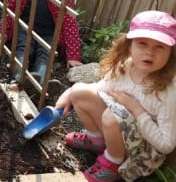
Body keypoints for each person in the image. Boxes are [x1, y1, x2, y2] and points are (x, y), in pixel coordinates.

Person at [55, 10, 176, 181]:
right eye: (142, 44)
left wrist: (136, 109)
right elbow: (100, 88)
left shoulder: (168, 91)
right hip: (115, 129)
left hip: (138, 151)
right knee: (80, 91)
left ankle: (112, 164)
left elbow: (166, 145)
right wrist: (69, 94)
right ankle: (97, 142)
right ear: (129, 45)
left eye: (159, 47)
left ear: (170, 52)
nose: (149, 53)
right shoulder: (125, 67)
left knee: (113, 115)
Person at [0, 0, 82, 83]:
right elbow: (11, 9)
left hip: (48, 35)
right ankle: (19, 77)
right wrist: (3, 32)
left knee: (45, 56)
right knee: (23, 49)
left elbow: (69, 23)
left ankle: (39, 82)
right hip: (25, 28)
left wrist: (73, 55)